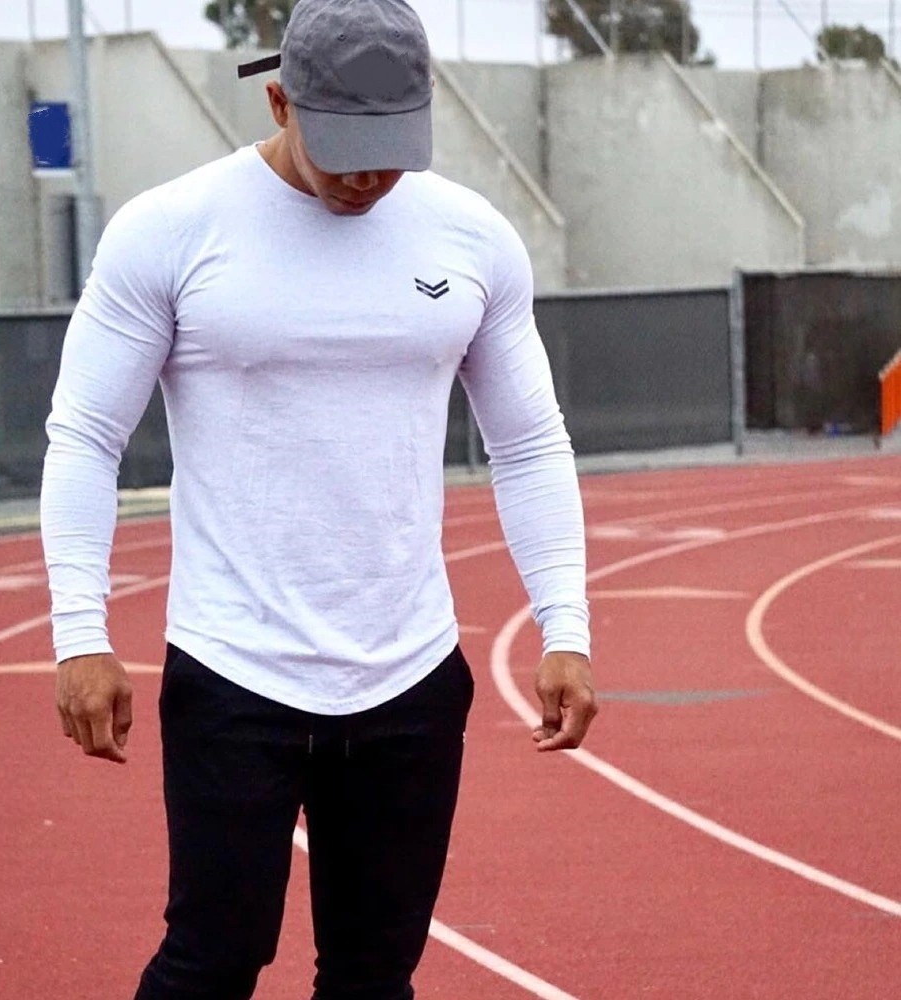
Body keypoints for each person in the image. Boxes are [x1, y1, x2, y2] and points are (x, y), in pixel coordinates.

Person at [41, 1, 597, 997]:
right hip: (232, 671)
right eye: (342, 149)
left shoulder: (471, 237)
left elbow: (527, 443)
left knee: (375, 976)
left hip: (410, 677)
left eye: (390, 152)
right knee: (212, 962)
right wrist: (80, 634)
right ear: (278, 102)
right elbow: (85, 435)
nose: (366, 177)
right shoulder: (171, 230)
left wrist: (567, 626)